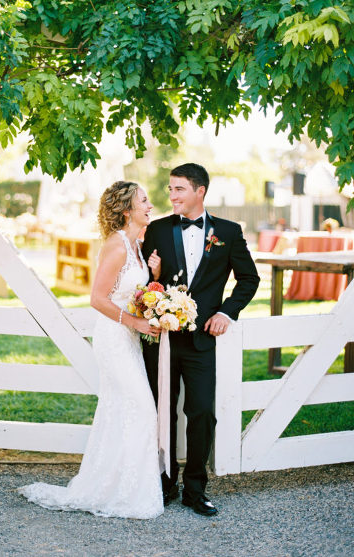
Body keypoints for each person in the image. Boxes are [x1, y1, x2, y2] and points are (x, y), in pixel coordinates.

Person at [19, 181, 164, 519]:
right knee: (141, 410)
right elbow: (97, 299)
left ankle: (117, 487)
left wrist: (152, 277)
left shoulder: (137, 245)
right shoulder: (116, 246)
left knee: (122, 412)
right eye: (145, 200)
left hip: (128, 340)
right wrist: (137, 323)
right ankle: (125, 493)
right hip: (114, 340)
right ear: (127, 210)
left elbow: (130, 291)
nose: (151, 205)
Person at [142, 163, 260, 516]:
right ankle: (164, 483)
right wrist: (155, 278)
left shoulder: (228, 231)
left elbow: (249, 279)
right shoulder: (157, 229)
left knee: (202, 413)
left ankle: (195, 489)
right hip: (161, 340)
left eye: (178, 189)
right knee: (163, 413)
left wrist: (226, 312)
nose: (171, 195)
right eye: (170, 189)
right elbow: (143, 279)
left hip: (201, 342)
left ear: (199, 191)